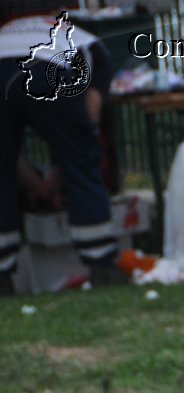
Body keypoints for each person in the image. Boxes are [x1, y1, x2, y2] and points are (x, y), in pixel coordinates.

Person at [1, 5, 118, 295]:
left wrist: (36, 184)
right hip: (48, 70)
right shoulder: (88, 42)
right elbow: (87, 125)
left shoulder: (6, 33)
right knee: (83, 165)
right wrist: (60, 172)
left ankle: (2, 277)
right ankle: (101, 264)